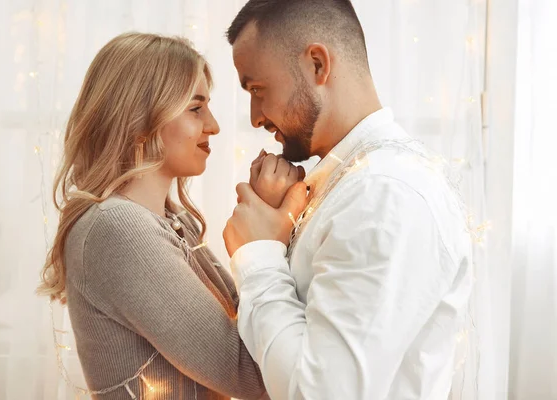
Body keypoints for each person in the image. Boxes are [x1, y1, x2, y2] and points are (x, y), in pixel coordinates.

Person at [222, 1, 475, 399]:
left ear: (317, 65)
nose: (255, 117)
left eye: (258, 90)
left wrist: (258, 257)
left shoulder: (384, 194)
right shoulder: (350, 183)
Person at [37, 32, 282, 400]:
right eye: (195, 108)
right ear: (139, 119)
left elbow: (246, 328)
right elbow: (253, 373)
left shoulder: (171, 221)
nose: (213, 125)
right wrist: (267, 239)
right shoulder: (117, 229)